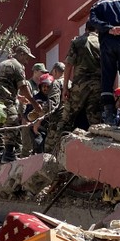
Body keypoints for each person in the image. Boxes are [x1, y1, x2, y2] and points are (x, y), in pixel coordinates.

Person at [44, 22, 102, 153]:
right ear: (97, 29)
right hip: (98, 86)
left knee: (67, 118)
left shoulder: (78, 42)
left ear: (86, 29)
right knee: (96, 121)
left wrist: (65, 87)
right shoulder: (102, 43)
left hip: (79, 86)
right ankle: (96, 152)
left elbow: (69, 65)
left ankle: (56, 152)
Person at [0, 44, 35, 165]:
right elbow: (23, 87)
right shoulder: (17, 65)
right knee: (13, 122)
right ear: (21, 54)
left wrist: (18, 97)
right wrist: (35, 104)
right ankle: (8, 154)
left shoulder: (4, 63)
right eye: (26, 57)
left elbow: (2, 81)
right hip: (4, 97)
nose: (27, 61)